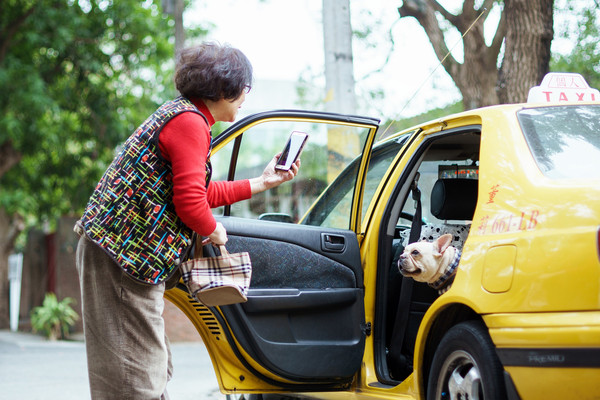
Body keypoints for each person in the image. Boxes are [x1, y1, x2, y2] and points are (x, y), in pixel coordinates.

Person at [74, 42, 300, 400]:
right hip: (120, 257)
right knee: (134, 376)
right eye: (244, 88)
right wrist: (214, 230)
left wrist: (263, 182)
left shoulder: (185, 117)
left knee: (147, 366)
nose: (245, 97)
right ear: (223, 87)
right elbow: (191, 204)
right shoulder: (189, 123)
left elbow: (199, 190)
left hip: (122, 255)